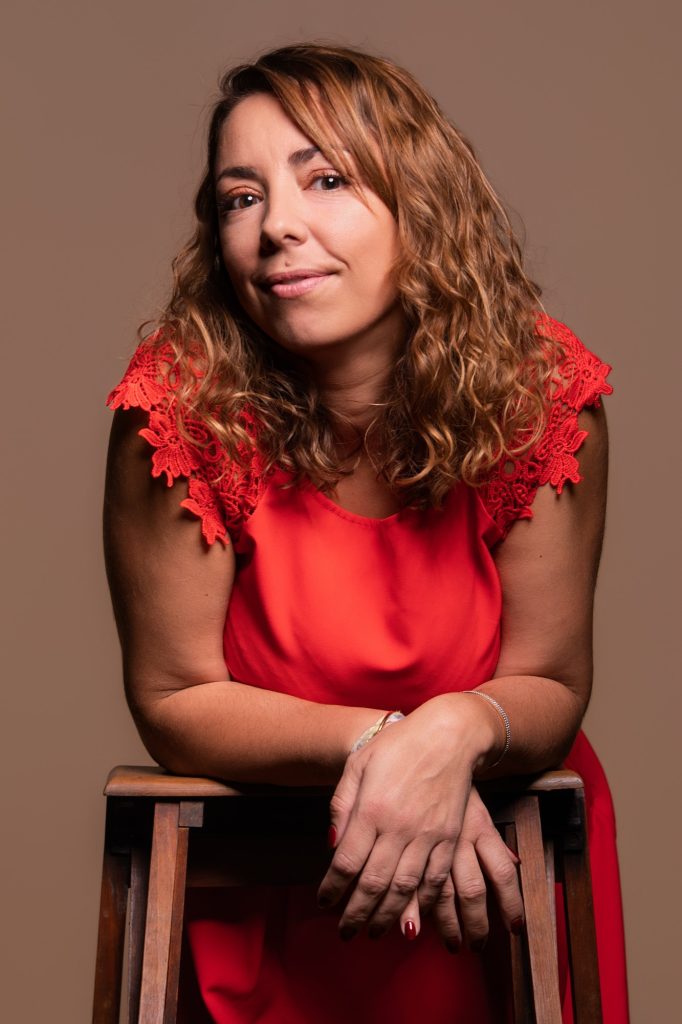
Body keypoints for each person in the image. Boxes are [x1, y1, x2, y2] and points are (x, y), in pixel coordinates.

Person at [103, 42, 628, 1023]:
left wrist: (460, 730)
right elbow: (175, 696)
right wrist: (393, 749)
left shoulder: (541, 396)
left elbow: (551, 680)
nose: (277, 228)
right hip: (270, 886)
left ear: (416, 204)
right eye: (239, 198)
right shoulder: (177, 406)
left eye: (327, 180)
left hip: (490, 882)